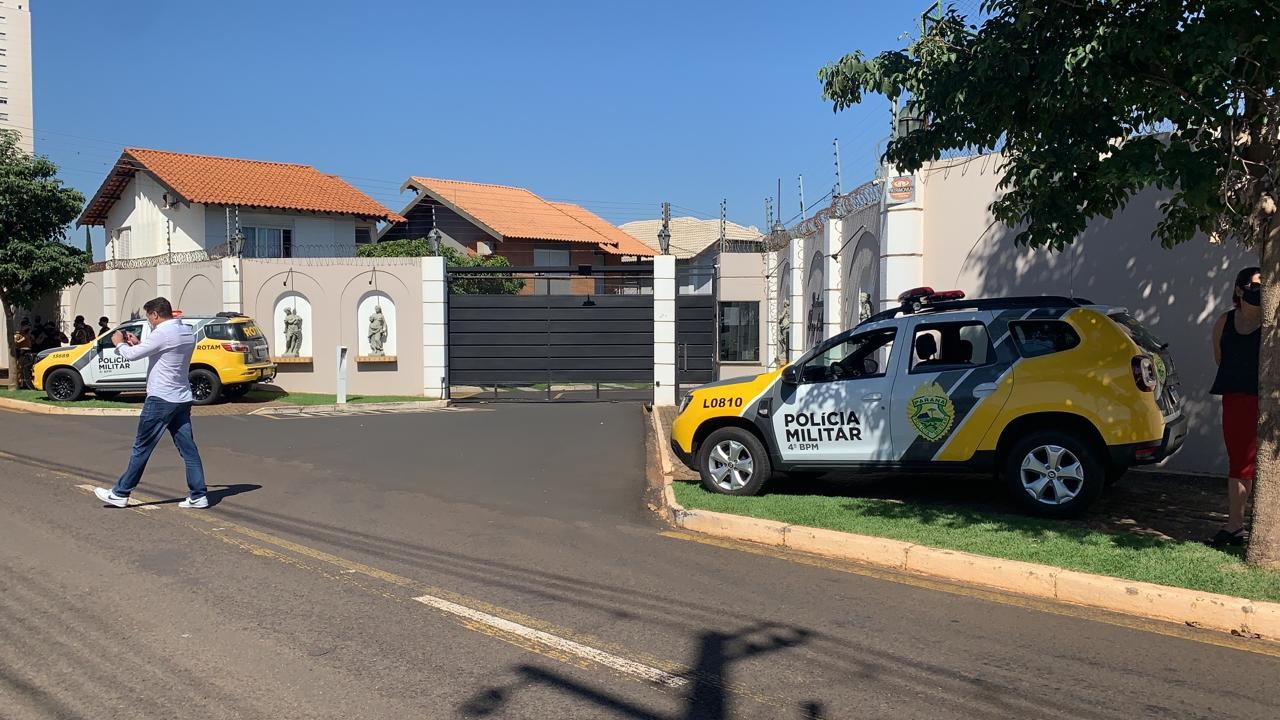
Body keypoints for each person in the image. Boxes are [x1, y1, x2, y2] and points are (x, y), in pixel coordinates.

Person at [93, 297, 208, 509]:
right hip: (181, 398)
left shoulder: (163, 333)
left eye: (149, 317)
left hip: (161, 399)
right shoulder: (186, 332)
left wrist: (118, 342)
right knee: (188, 449)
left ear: (155, 314)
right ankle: (198, 494)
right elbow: (163, 354)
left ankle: (120, 493)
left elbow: (132, 355)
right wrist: (138, 344)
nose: (150, 321)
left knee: (142, 447)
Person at [1208, 266, 1262, 547]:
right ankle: (1234, 526)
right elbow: (1220, 358)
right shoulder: (1225, 322)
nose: (1260, 292)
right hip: (1236, 400)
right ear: (1240, 290)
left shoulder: (1272, 325)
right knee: (1239, 464)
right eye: (1255, 286)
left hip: (1265, 402)